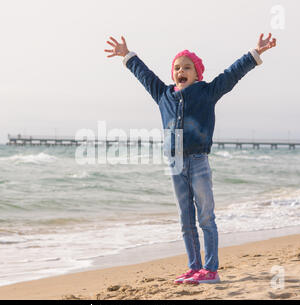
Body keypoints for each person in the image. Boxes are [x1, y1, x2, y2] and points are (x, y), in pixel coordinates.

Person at [104, 33, 276, 284]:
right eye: (176, 67)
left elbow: (232, 73)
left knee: (205, 217)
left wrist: (255, 53)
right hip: (174, 162)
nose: (180, 70)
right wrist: (128, 55)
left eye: (187, 67)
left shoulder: (207, 92)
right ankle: (194, 267)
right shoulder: (163, 94)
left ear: (198, 74)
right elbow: (145, 75)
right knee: (185, 219)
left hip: (198, 161)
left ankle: (211, 269)